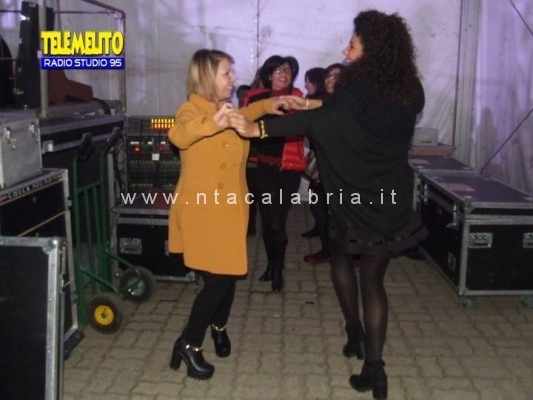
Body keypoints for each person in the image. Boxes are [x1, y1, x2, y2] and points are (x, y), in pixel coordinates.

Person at [231, 10, 427, 399]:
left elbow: (324, 122)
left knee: (340, 258)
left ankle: (354, 332)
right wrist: (310, 105)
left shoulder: (353, 92)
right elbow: (347, 115)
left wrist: (256, 128)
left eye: (352, 45)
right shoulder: (411, 90)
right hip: (390, 198)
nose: (345, 50)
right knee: (373, 280)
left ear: (372, 49)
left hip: (352, 198)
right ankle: (375, 369)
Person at [167, 49, 287, 380]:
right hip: (203, 211)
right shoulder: (191, 110)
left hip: (231, 208)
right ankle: (189, 343)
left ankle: (218, 326)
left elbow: (247, 112)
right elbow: (178, 135)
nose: (233, 78)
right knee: (219, 279)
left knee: (230, 272)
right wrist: (212, 122)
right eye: (226, 73)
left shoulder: (227, 109)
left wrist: (270, 104)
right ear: (206, 77)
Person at [243, 55, 306, 292]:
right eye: (278, 70)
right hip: (264, 168)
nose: (284, 74)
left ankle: (278, 269)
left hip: (288, 169)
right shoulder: (255, 98)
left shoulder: (297, 99)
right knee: (268, 221)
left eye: (288, 70)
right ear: (269, 75)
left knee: (278, 222)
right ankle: (271, 265)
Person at [301, 63, 346, 266]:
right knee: (319, 206)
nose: (330, 80)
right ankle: (328, 248)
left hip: (339, 167)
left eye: (336, 76)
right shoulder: (322, 103)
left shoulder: (346, 104)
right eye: (328, 76)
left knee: (329, 209)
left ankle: (334, 251)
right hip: (323, 162)